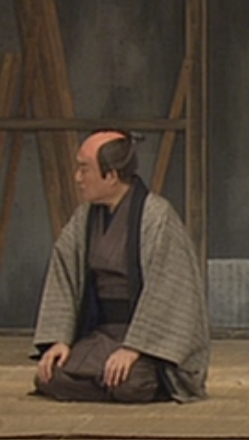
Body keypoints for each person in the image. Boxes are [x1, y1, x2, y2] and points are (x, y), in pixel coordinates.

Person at [31, 130, 210, 403]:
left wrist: (134, 348)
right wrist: (60, 340)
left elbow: (170, 291)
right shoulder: (84, 218)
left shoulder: (156, 217)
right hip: (102, 334)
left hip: (146, 341)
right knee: (49, 376)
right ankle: (105, 380)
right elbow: (64, 279)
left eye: (84, 169)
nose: (77, 178)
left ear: (111, 175)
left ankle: (133, 378)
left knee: (131, 383)